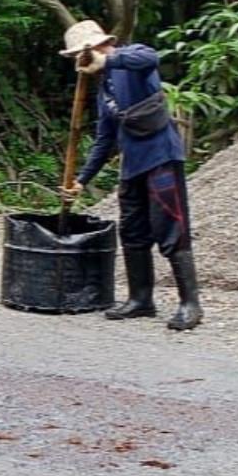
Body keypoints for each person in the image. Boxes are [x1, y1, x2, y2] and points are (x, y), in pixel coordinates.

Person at [60, 20, 202, 331]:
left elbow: (150, 57)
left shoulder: (131, 60)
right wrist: (81, 181)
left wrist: (107, 59)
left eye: (80, 56)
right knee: (133, 232)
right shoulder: (104, 89)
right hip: (132, 167)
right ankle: (141, 300)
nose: (78, 62)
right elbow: (103, 139)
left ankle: (190, 303)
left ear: (97, 47)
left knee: (171, 230)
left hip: (161, 158)